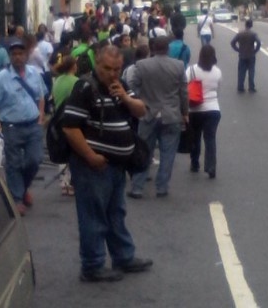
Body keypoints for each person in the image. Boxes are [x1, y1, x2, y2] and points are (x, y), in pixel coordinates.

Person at [61, 45, 152, 282]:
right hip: (92, 166)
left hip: (115, 165)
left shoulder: (119, 85)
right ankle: (92, 265)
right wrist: (91, 156)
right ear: (96, 65)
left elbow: (141, 111)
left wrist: (124, 97)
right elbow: (70, 127)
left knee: (115, 213)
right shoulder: (84, 87)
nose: (112, 73)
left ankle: (123, 256)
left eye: (117, 69)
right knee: (93, 215)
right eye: (107, 69)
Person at [0, 40, 47, 216]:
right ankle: (17, 199)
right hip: (11, 126)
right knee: (13, 164)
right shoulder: (2, 78)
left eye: (20, 53)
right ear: (10, 56)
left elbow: (41, 96)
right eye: (14, 54)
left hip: (33, 124)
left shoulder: (34, 74)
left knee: (34, 160)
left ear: (26, 55)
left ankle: (21, 188)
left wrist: (41, 115)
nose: (17, 57)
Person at [128, 36, 188, 198]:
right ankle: (162, 187)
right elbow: (183, 93)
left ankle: (137, 188)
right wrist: (185, 113)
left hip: (148, 113)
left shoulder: (142, 65)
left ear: (152, 49)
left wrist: (141, 100)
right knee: (168, 153)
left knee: (143, 151)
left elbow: (132, 86)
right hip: (171, 114)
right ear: (167, 49)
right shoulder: (178, 66)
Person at [185, 45, 222, 178]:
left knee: (195, 137)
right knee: (210, 139)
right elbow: (217, 89)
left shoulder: (191, 70)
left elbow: (184, 89)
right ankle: (211, 167)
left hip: (195, 109)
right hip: (213, 109)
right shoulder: (217, 71)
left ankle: (195, 163)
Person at [51, 56, 79, 196]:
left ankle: (63, 183)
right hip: (71, 118)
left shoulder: (57, 81)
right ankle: (72, 182)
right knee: (74, 150)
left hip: (58, 118)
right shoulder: (76, 81)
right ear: (73, 67)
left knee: (62, 149)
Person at [230, 19, 262, 93]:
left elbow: (232, 42)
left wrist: (238, 49)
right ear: (251, 25)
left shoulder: (240, 34)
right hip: (251, 55)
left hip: (242, 55)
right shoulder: (253, 34)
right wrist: (255, 50)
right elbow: (259, 42)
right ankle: (251, 87)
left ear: (245, 25)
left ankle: (240, 87)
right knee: (251, 71)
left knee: (241, 71)